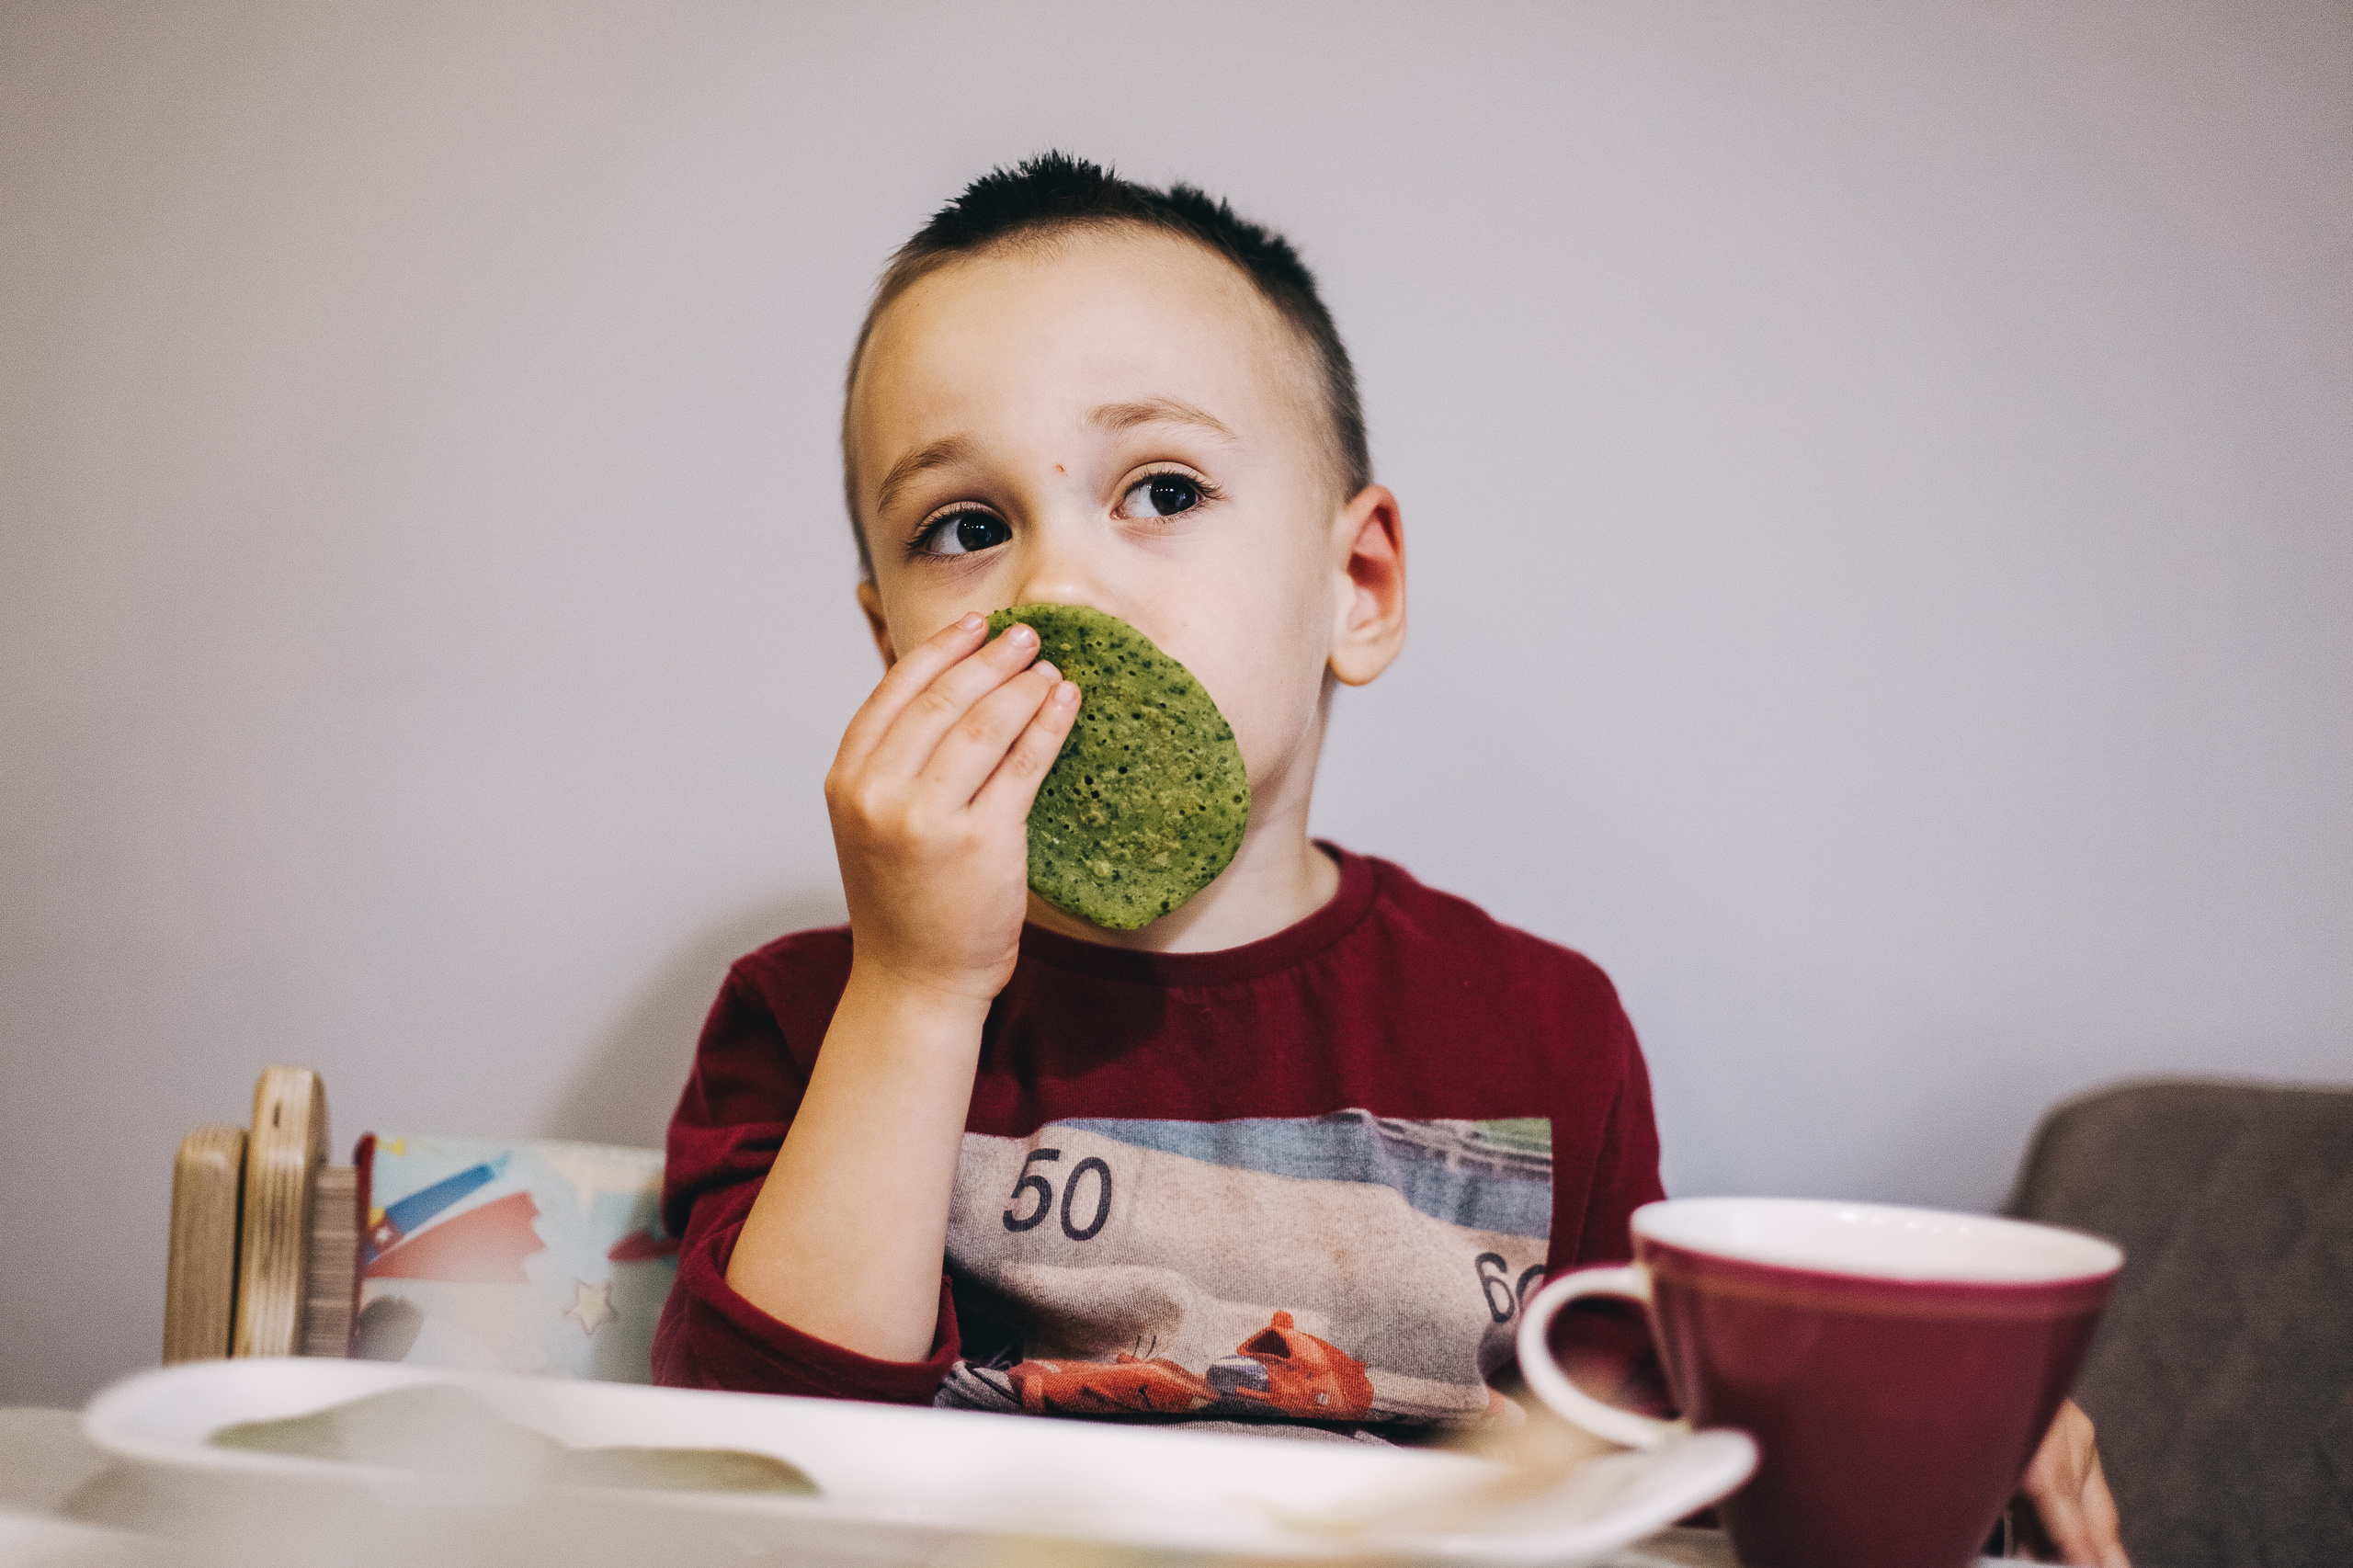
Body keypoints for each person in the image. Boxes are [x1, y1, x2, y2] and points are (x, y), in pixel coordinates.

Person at [653, 153, 2126, 1564]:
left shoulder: (1542, 1031)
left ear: (1356, 585)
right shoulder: (816, 1021)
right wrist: (918, 991)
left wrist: (1905, 1423)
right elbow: (741, 1492)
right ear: (889, 645)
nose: (1059, 587)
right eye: (964, 527)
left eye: (1161, 490)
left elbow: (1625, 1469)